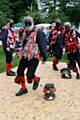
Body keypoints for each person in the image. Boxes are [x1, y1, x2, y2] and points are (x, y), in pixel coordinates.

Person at [14, 16, 48, 96]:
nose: (28, 27)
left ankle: (36, 79)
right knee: (19, 71)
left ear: (32, 23)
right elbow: (21, 42)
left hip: (34, 56)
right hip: (25, 55)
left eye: (29, 25)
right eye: (26, 25)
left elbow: (42, 45)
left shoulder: (38, 32)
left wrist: (44, 57)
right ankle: (23, 88)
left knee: (29, 75)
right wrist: (18, 51)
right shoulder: (24, 31)